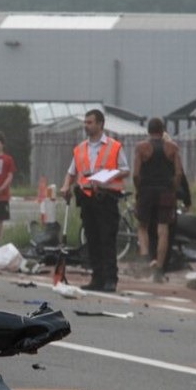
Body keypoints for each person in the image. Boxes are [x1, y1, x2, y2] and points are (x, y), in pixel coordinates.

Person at [59, 109, 130, 292]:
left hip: (106, 198)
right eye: (85, 122)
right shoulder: (81, 148)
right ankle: (97, 278)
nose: (86, 125)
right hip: (87, 198)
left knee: (107, 239)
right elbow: (71, 172)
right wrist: (66, 186)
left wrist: (106, 176)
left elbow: (125, 169)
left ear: (100, 124)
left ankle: (110, 279)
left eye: (90, 122)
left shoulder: (114, 146)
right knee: (92, 239)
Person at [133, 117, 182, 282]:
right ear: (163, 131)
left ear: (148, 130)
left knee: (142, 226)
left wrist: (138, 189)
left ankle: (146, 257)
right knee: (163, 230)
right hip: (166, 190)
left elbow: (136, 173)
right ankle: (159, 269)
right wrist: (173, 189)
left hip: (146, 190)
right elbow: (178, 173)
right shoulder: (172, 148)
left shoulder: (141, 148)